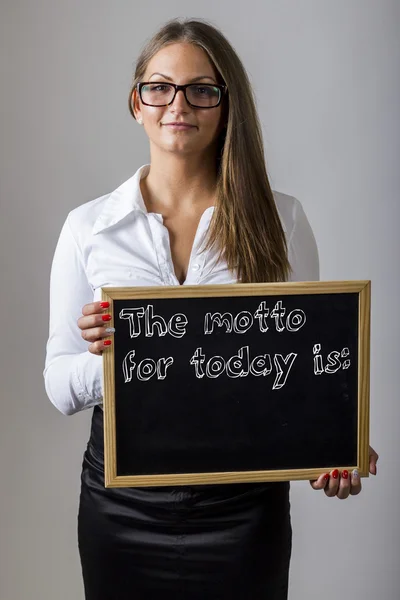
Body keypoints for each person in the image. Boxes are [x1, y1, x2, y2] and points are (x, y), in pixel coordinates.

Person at [44, 17, 378, 600]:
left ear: (227, 106)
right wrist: (114, 360)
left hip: (243, 509)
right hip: (119, 506)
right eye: (160, 87)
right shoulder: (88, 227)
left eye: (202, 89)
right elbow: (56, 382)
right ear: (136, 103)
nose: (178, 104)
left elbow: (304, 374)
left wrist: (333, 446)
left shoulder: (282, 219)